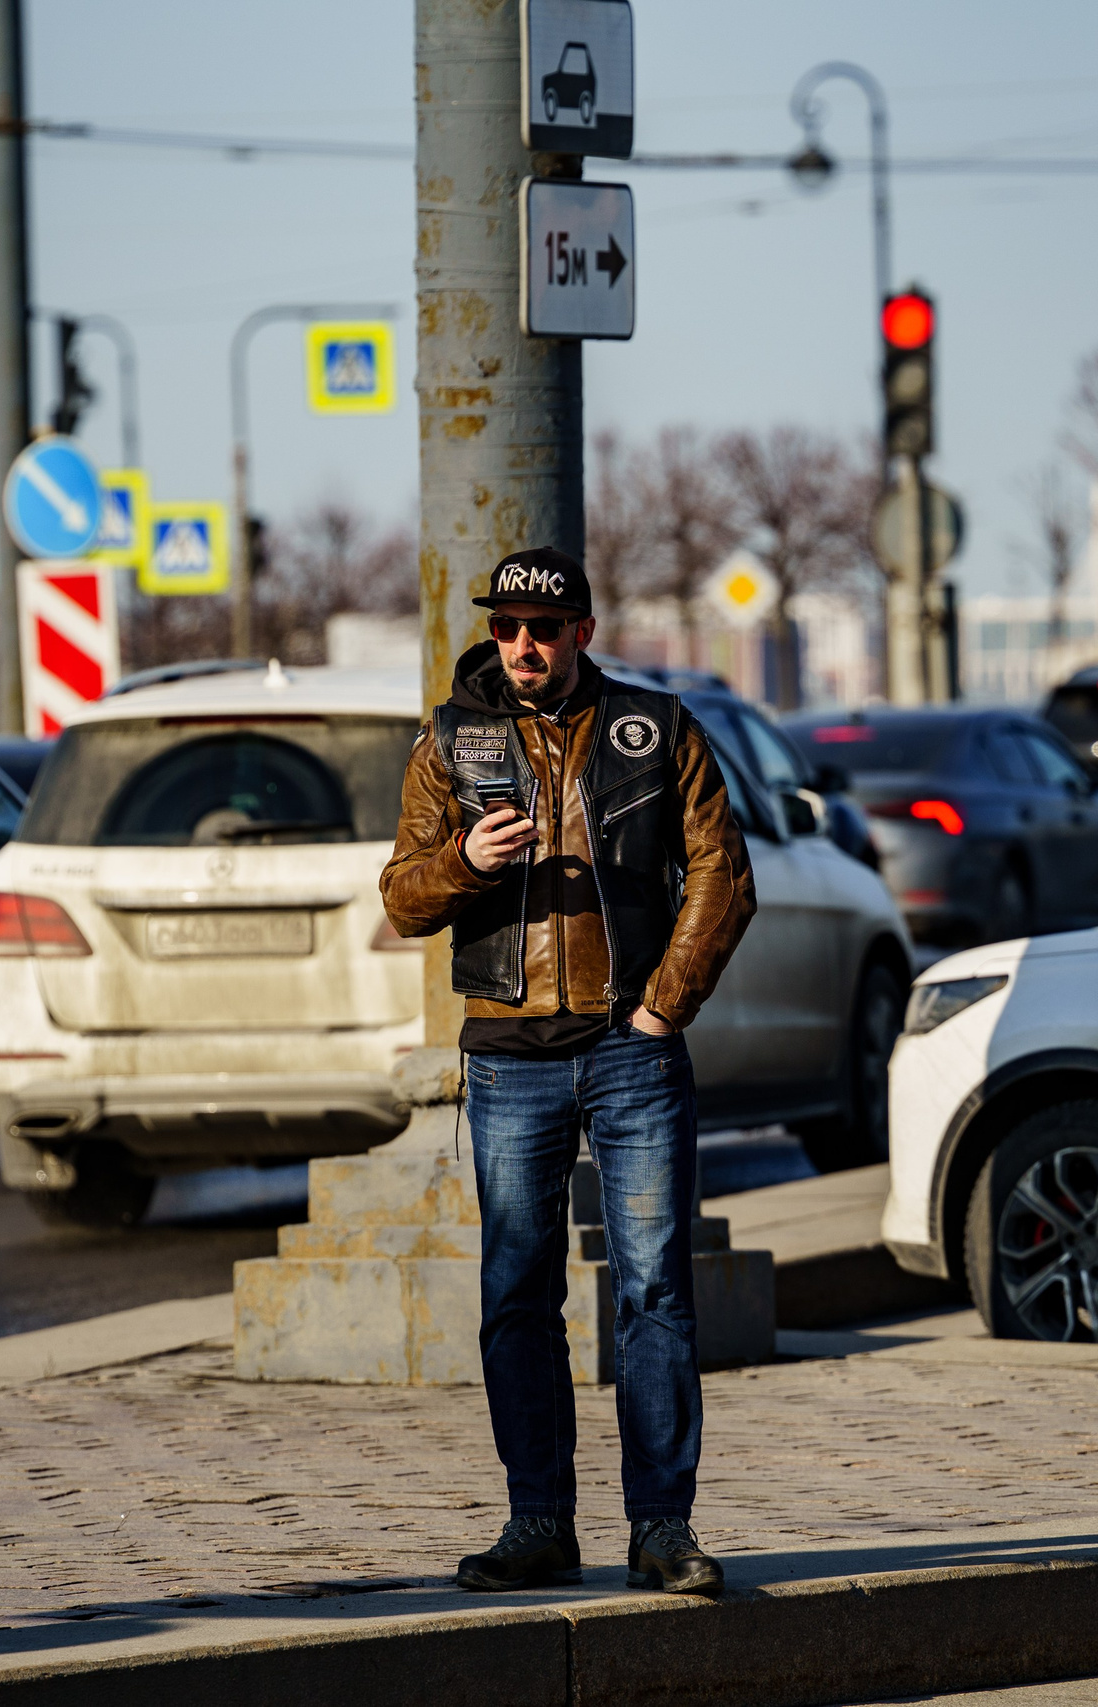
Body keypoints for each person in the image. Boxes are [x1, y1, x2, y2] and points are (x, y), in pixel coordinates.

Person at [381, 545, 756, 1598]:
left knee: (655, 1292)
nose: (521, 646)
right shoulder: (449, 742)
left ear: (581, 631)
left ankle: (662, 1530)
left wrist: (660, 1008)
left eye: (541, 629)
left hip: (629, 1051)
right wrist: (466, 864)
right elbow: (404, 896)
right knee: (515, 1293)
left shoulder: (656, 728)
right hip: (508, 1056)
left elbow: (722, 873)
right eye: (505, 627)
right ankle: (537, 1521)